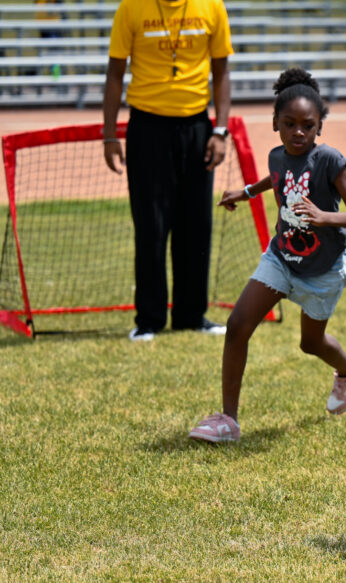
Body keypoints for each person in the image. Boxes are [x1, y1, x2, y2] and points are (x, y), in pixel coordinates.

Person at [189, 68, 346, 443]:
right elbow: (275, 179)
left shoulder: (329, 160)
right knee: (239, 325)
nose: (298, 132)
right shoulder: (276, 156)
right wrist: (246, 192)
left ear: (320, 126)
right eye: (289, 124)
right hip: (281, 258)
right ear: (275, 123)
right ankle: (228, 420)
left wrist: (324, 216)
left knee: (310, 344)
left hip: (323, 269)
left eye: (308, 125)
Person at [102, 0, 234, 341]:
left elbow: (221, 71)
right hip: (147, 127)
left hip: (197, 128)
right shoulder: (131, 8)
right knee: (150, 224)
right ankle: (149, 319)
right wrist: (109, 135)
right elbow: (115, 73)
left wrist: (220, 130)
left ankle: (192, 315)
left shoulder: (212, 6)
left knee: (196, 223)